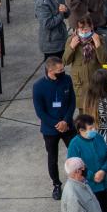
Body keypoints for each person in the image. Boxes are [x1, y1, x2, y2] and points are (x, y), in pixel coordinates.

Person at [33, 56, 76, 200]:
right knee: (52, 158)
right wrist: (57, 124)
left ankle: (79, 179)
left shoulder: (67, 80)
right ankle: (56, 184)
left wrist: (66, 121)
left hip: (68, 125)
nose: (63, 71)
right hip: (50, 129)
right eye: (60, 70)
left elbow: (72, 102)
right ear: (50, 70)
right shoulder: (38, 86)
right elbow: (40, 112)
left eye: (63, 68)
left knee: (76, 153)